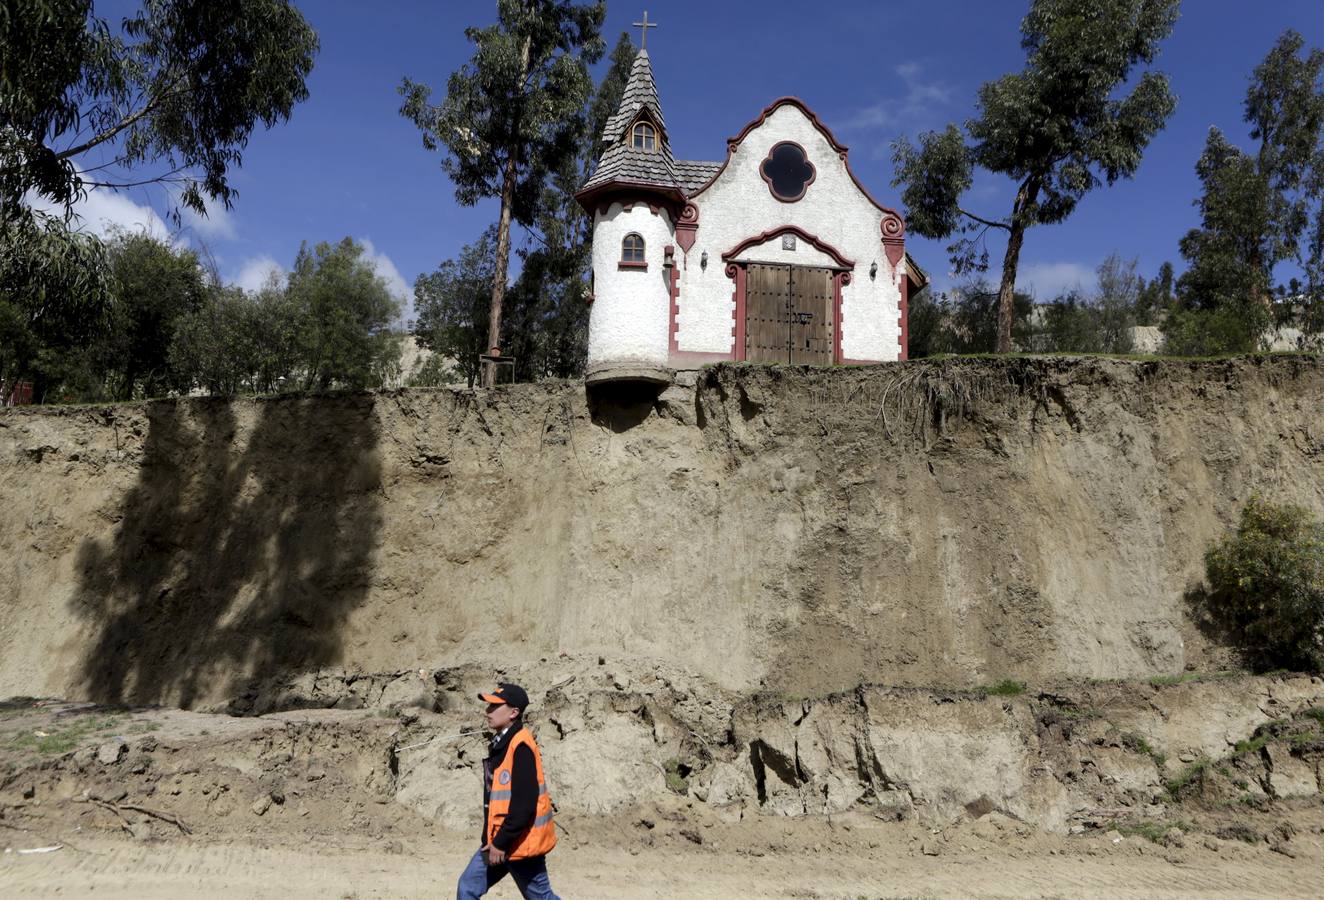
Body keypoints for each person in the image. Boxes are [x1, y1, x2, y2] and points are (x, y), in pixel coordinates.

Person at [455, 683, 560, 900]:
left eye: (495, 706)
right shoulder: (503, 742)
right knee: (467, 887)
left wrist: (501, 843)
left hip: (520, 845)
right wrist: (491, 839)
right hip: (498, 842)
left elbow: (524, 804)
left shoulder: (520, 746)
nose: (488, 712)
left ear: (514, 712)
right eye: (488, 706)